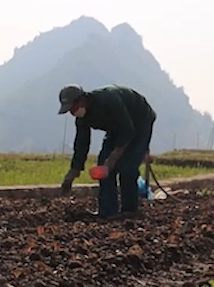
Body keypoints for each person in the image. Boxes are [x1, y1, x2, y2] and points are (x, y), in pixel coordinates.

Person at [57, 83, 156, 218]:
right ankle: (107, 211)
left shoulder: (109, 99)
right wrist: (72, 172)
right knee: (103, 168)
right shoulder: (82, 119)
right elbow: (81, 144)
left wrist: (114, 157)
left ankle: (129, 210)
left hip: (139, 123)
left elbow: (128, 130)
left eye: (72, 108)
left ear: (81, 100)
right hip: (116, 129)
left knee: (127, 168)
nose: (72, 112)